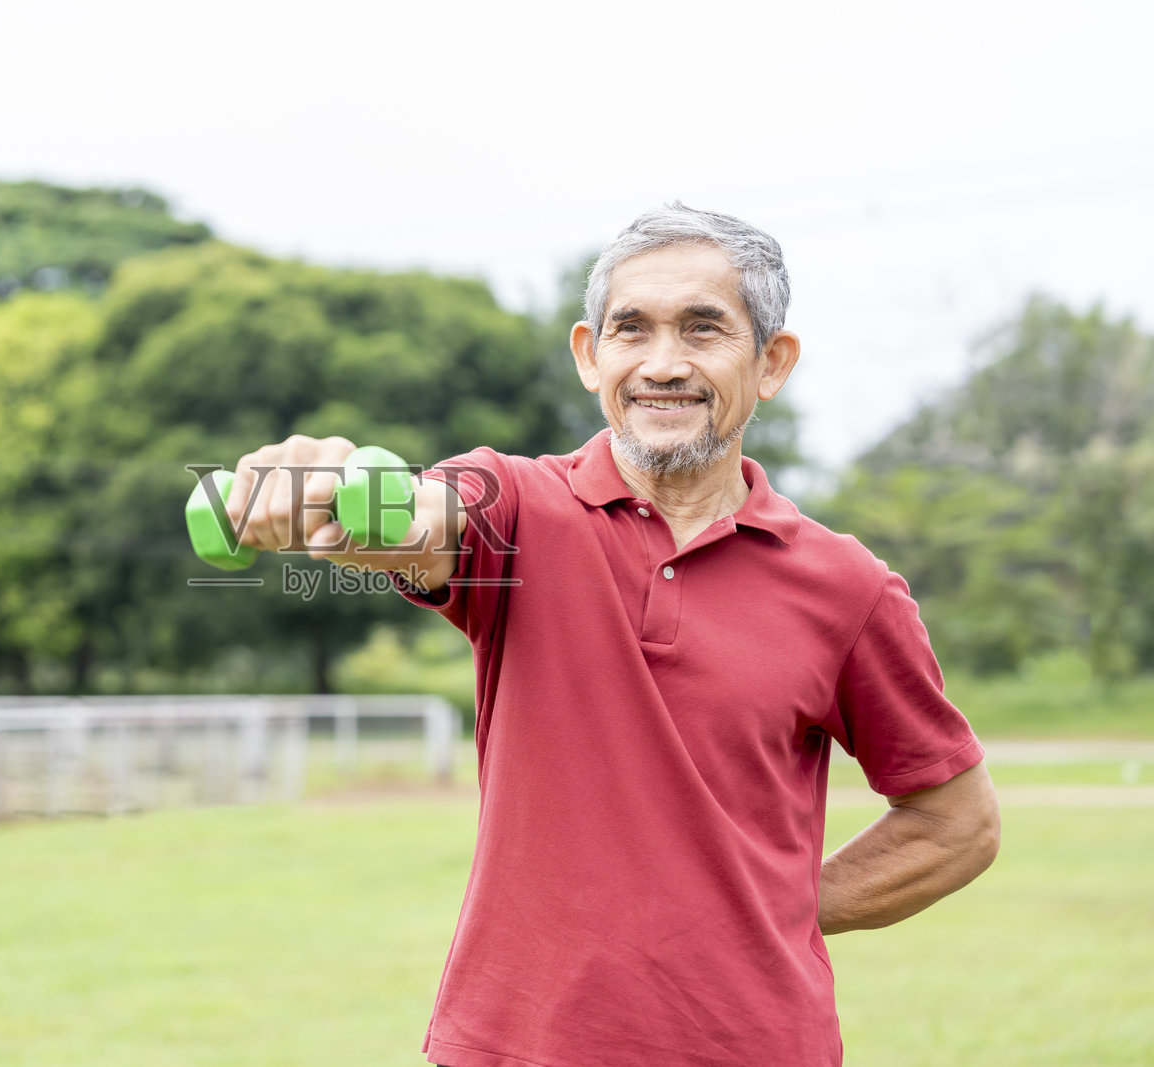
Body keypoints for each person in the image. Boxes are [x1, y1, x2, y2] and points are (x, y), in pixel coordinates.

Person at [222, 202, 1001, 1066]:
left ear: (771, 362)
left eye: (704, 329)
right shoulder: (514, 505)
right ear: (592, 356)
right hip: (511, 1046)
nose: (663, 363)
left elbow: (956, 821)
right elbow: (423, 521)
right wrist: (336, 490)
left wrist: (777, 903)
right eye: (633, 330)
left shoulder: (848, 587)